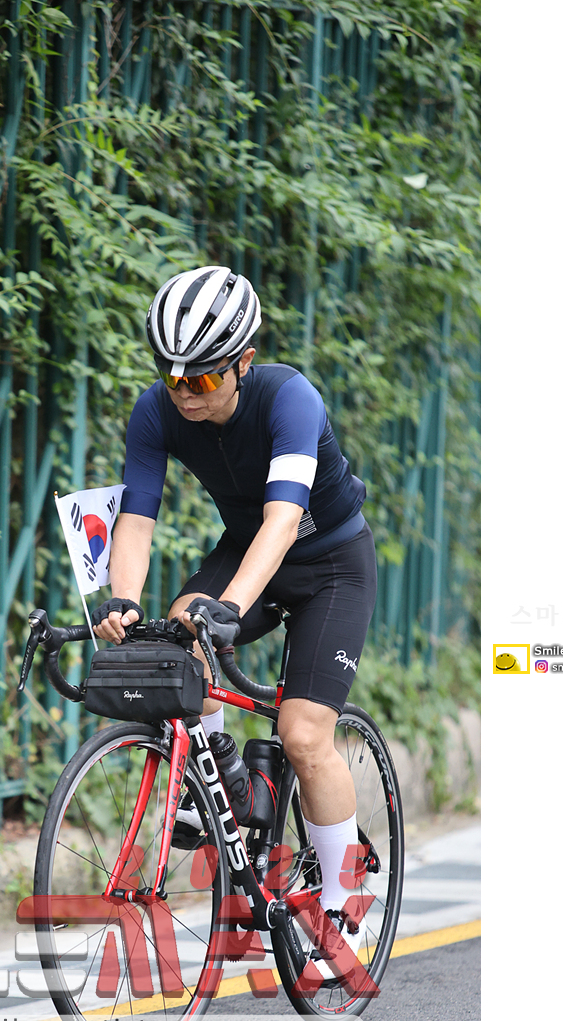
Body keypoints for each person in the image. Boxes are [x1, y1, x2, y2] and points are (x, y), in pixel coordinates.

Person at [91, 265, 378, 937]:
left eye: (201, 380)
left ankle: (345, 895)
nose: (184, 394)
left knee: (303, 735)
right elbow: (136, 518)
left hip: (330, 563)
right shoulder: (156, 410)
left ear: (243, 362)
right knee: (178, 636)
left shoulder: (290, 399)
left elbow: (284, 519)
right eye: (172, 377)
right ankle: (216, 785)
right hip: (248, 547)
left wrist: (228, 609)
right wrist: (124, 599)